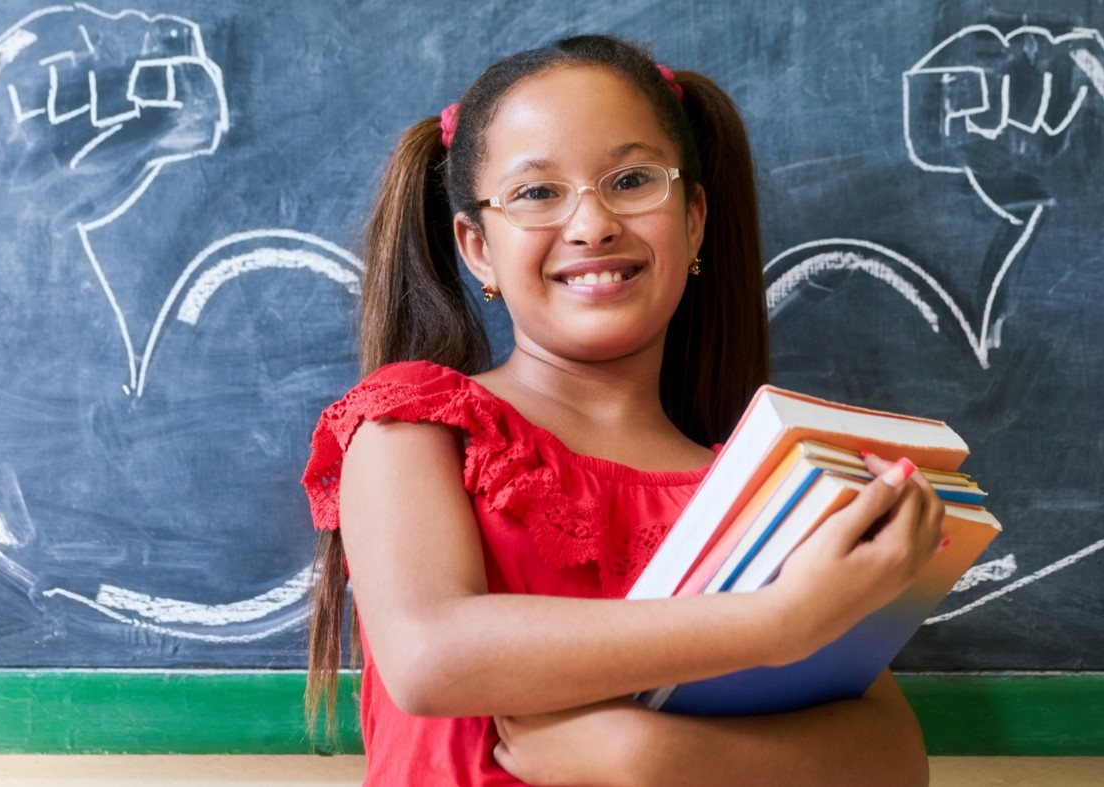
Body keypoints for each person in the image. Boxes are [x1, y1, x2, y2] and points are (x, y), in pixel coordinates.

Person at [300, 34, 946, 787]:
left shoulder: (754, 489)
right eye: (537, 192)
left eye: (633, 179)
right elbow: (431, 653)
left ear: (695, 220)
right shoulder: (416, 425)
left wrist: (658, 757)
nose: (592, 224)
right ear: (477, 248)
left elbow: (894, 757)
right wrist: (774, 623)